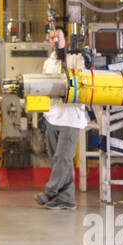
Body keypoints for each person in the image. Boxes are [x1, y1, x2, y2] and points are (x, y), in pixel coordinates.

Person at [35, 26, 88, 210]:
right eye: (51, 38)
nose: (55, 41)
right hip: (52, 116)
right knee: (57, 159)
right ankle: (66, 199)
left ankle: (49, 192)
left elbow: (83, 80)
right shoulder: (48, 62)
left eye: (57, 37)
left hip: (70, 117)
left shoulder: (75, 58)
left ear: (65, 39)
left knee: (63, 159)